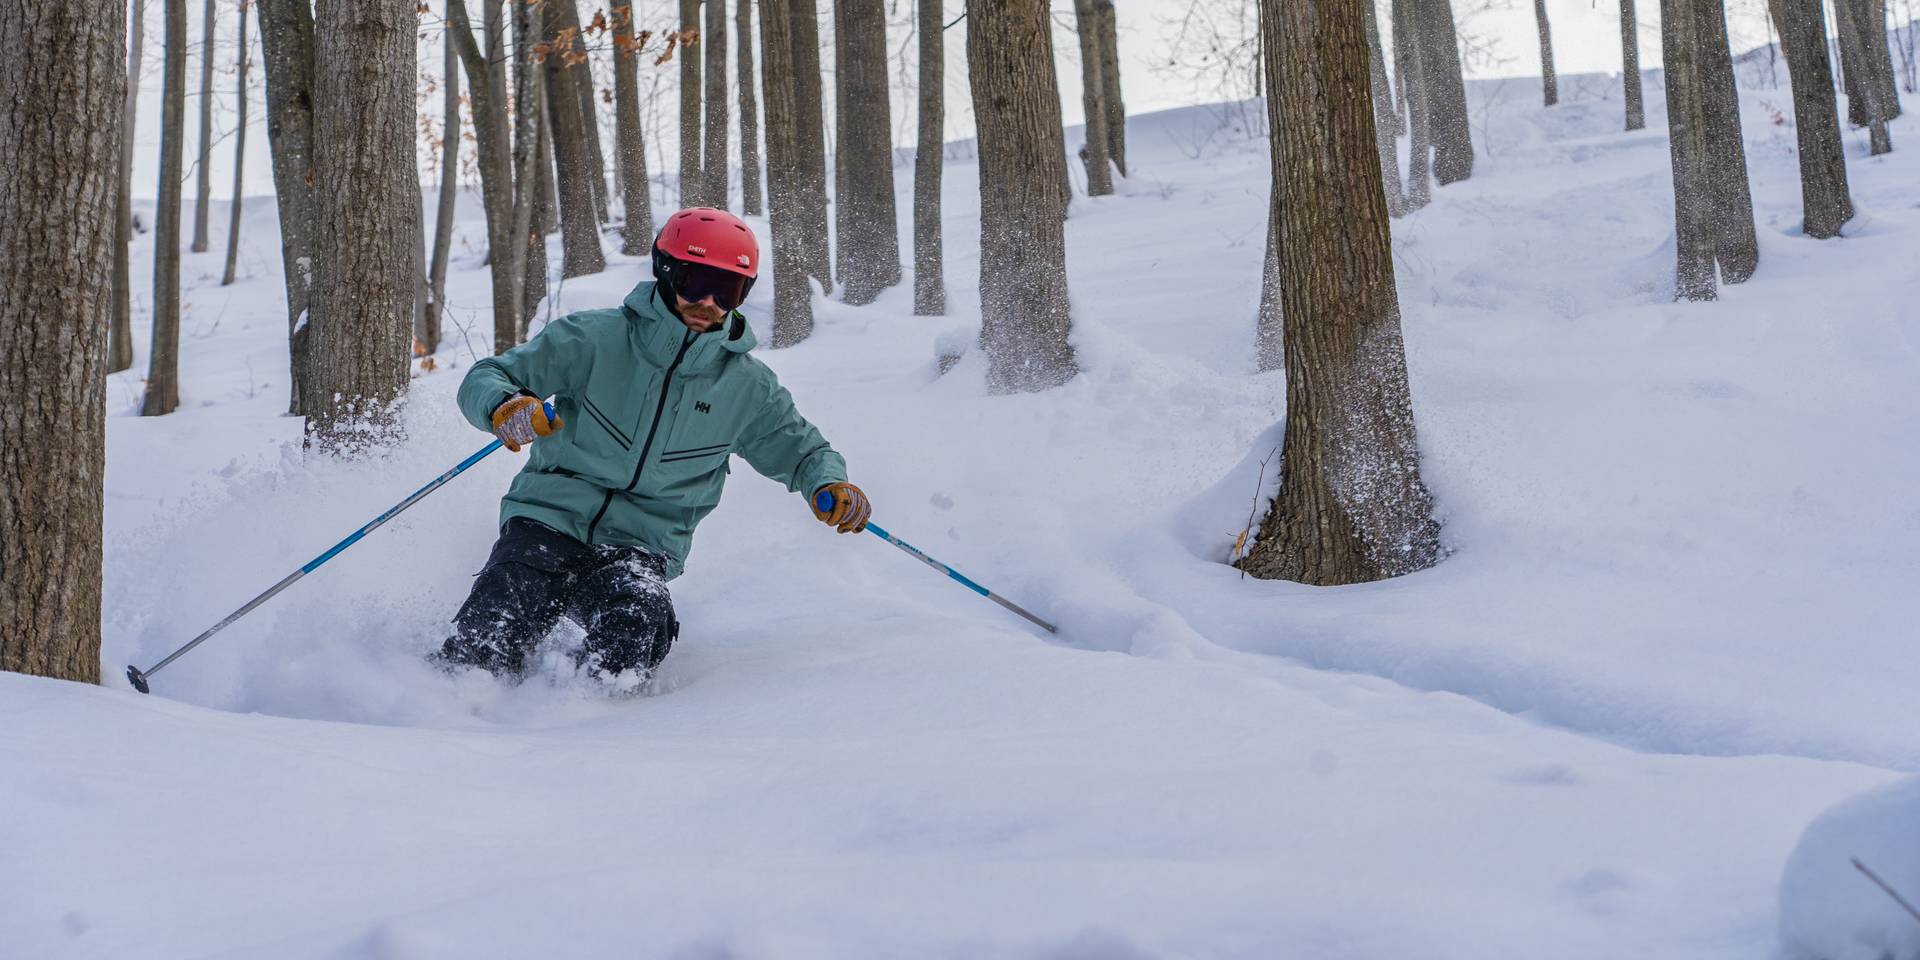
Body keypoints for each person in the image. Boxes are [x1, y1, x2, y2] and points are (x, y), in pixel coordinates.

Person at [433, 208, 871, 684]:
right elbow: (488, 376)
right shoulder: (592, 339)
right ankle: (455, 712)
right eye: (696, 279)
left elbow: (802, 451)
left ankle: (584, 725)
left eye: (727, 290)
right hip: (548, 519)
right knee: (492, 630)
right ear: (665, 270)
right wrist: (505, 405)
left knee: (635, 631)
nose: (708, 301)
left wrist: (828, 481)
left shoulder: (747, 387)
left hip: (641, 546)